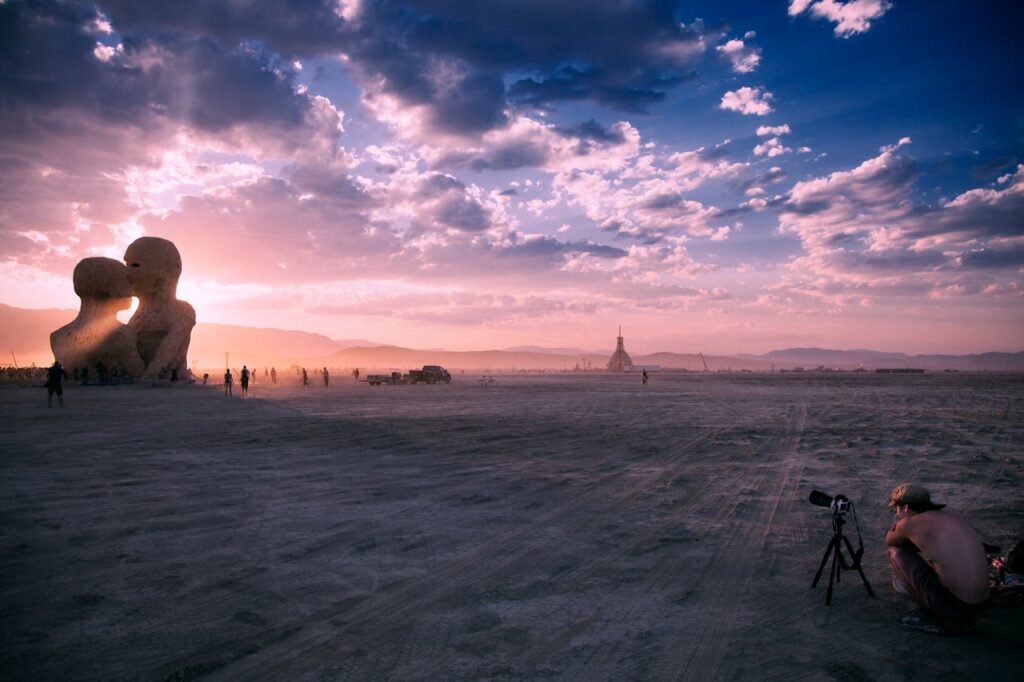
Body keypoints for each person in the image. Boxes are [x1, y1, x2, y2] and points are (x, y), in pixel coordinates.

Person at [886, 483, 990, 633]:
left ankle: (930, 615)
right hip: (982, 604)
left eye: (896, 508)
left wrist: (901, 527)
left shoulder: (909, 524)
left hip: (957, 607)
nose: (896, 513)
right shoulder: (952, 516)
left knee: (895, 550)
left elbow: (890, 540)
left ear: (906, 507)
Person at [124, 237, 196, 381]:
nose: (126, 272)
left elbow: (164, 357)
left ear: (164, 271)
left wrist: (146, 378)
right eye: (125, 264)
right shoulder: (137, 316)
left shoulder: (182, 312)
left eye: (135, 265)